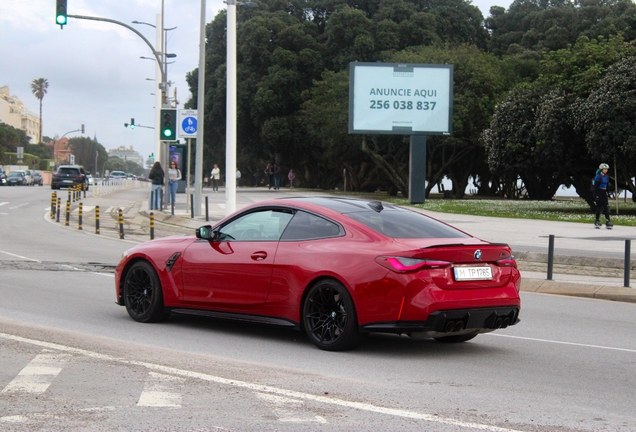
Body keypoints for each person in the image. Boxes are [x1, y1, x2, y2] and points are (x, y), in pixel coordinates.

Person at [593, 163, 612, 229]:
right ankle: (597, 220)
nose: (606, 170)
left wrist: (608, 194)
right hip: (599, 192)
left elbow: (607, 186)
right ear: (601, 169)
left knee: (606, 207)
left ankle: (608, 220)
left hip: (604, 192)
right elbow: (595, 186)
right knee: (599, 207)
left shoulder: (606, 176)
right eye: (605, 169)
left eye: (607, 169)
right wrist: (596, 195)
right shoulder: (598, 176)